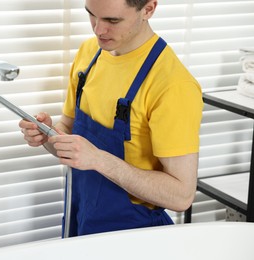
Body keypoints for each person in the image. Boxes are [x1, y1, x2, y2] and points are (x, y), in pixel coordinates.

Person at [19, 0, 203, 237]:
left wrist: (98, 159)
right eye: (91, 15)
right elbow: (69, 130)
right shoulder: (90, 53)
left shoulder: (173, 86)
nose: (98, 30)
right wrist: (48, 135)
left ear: (148, 9)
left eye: (112, 21)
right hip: (81, 219)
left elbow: (181, 196)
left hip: (134, 234)